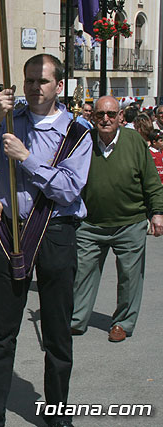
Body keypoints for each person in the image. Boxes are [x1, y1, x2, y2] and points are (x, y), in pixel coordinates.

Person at [0, 54, 92, 427]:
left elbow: (69, 189)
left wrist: (27, 158)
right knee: (2, 331)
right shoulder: (9, 121)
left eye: (44, 81)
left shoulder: (76, 132)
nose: (36, 88)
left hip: (55, 232)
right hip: (12, 232)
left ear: (59, 86)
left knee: (56, 331)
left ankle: (58, 414)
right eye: (30, 81)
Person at [70, 96, 163, 343]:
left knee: (130, 278)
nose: (106, 119)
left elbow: (152, 182)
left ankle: (122, 323)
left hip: (129, 222)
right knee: (81, 273)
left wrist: (157, 212)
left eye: (111, 114)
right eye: (100, 114)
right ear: (93, 117)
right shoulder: (85, 142)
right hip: (91, 224)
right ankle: (76, 319)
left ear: (121, 117)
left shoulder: (134, 142)